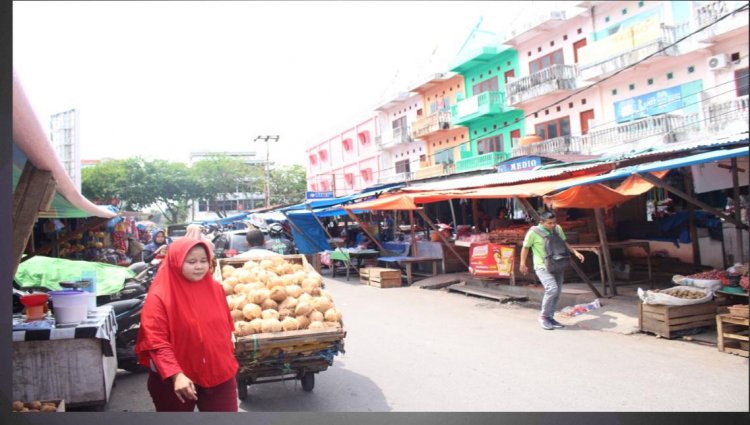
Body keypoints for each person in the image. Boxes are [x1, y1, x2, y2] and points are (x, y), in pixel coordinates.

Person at [134, 238, 239, 412]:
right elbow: (156, 341)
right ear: (176, 261)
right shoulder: (159, 296)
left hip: (218, 373)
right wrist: (176, 374)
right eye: (191, 262)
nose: (199, 266)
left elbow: (225, 328)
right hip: (175, 380)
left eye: (203, 261)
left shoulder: (215, 289)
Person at [519, 211, 585, 330]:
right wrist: (522, 263)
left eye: (554, 222)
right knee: (552, 289)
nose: (553, 225)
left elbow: (564, 243)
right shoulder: (533, 232)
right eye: (549, 223)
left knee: (557, 293)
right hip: (542, 266)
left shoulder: (558, 229)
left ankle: (550, 317)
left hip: (557, 264)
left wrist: (575, 252)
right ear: (542, 222)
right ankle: (543, 316)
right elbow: (525, 248)